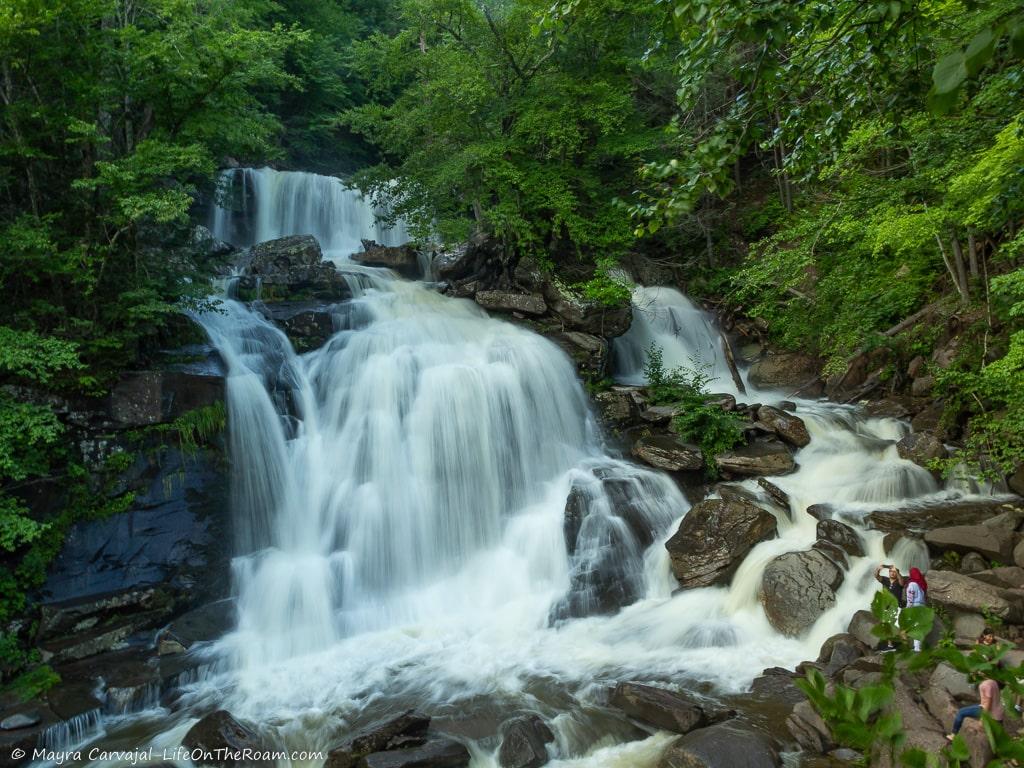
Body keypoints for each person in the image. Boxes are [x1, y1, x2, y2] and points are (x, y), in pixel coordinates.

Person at [946, 631, 1004, 740]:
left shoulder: (987, 684)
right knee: (998, 738)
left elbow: (987, 703)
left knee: (961, 713)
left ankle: (953, 735)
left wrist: (983, 719)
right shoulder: (995, 681)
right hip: (999, 715)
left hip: (989, 714)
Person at [904, 567, 928, 651]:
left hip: (915, 607)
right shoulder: (921, 584)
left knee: (915, 627)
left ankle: (917, 648)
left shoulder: (912, 584)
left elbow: (910, 599)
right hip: (922, 607)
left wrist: (907, 609)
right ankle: (919, 646)